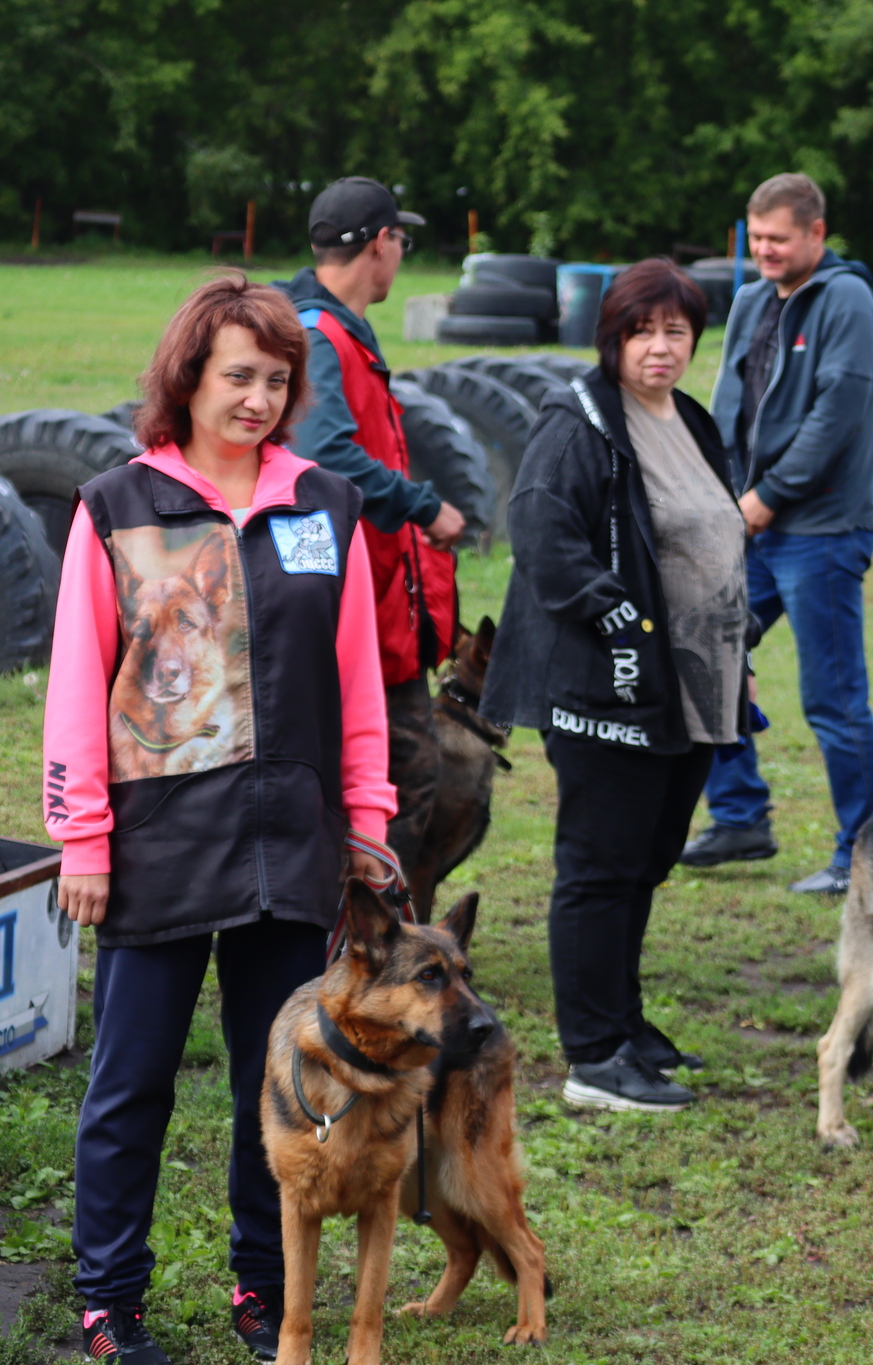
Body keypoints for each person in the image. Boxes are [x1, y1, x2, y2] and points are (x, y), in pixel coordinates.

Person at [43, 274, 394, 1365]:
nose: (256, 397)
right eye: (237, 374)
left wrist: (367, 821)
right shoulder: (116, 505)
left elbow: (360, 683)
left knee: (276, 1085)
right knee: (130, 1083)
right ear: (188, 375)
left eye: (276, 380)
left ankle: (262, 1290)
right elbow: (73, 687)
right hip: (154, 846)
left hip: (292, 845)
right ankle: (109, 1302)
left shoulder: (324, 506)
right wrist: (84, 839)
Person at [482, 260, 749, 1113]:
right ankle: (593, 1057)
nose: (661, 347)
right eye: (643, 331)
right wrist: (619, 621)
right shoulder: (582, 421)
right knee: (599, 865)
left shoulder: (689, 419)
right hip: (614, 687)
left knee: (646, 860)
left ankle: (625, 1024)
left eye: (676, 331)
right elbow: (542, 533)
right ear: (613, 337)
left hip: (693, 687)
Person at [683, 172, 873, 896]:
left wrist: (767, 497)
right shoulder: (747, 301)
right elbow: (728, 405)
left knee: (833, 698)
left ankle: (868, 857)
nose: (766, 251)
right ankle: (740, 816)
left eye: (779, 238)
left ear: (815, 235)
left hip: (820, 528)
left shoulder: (847, 301)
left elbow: (840, 411)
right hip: (746, 520)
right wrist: (720, 494)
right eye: (758, 238)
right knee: (703, 647)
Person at [279, 177, 463, 881]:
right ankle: (370, 939)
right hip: (340, 599)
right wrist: (421, 504)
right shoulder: (318, 332)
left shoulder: (337, 329)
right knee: (399, 777)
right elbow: (326, 455)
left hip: (377, 599)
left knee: (406, 775)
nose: (401, 256)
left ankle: (381, 933)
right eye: (401, 242)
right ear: (381, 243)